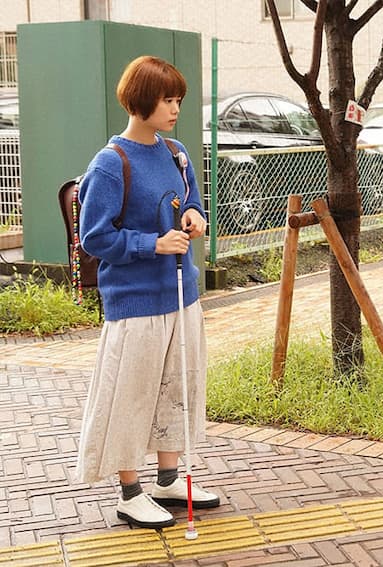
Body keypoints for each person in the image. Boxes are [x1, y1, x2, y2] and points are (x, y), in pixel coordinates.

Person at [75, 55, 220, 529]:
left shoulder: (176, 152)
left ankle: (168, 480)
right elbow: (94, 237)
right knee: (130, 395)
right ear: (140, 102)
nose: (176, 109)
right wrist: (152, 244)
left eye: (179, 100)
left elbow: (190, 199)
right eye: (167, 100)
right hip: (135, 302)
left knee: (178, 386)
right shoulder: (110, 164)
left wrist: (195, 215)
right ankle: (129, 492)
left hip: (181, 295)